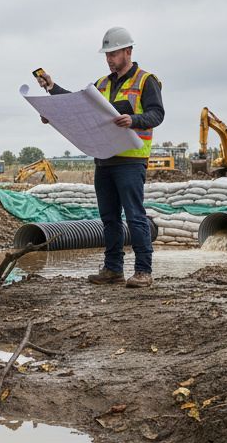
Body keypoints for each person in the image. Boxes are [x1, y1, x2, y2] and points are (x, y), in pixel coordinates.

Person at [36, 26, 164, 287]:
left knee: (135, 216)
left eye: (113, 54)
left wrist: (134, 119)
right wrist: (52, 91)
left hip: (130, 160)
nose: (109, 59)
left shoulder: (146, 80)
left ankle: (143, 271)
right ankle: (113, 269)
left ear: (128, 51)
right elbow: (76, 104)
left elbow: (157, 114)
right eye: (107, 54)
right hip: (104, 159)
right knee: (109, 218)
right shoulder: (101, 84)